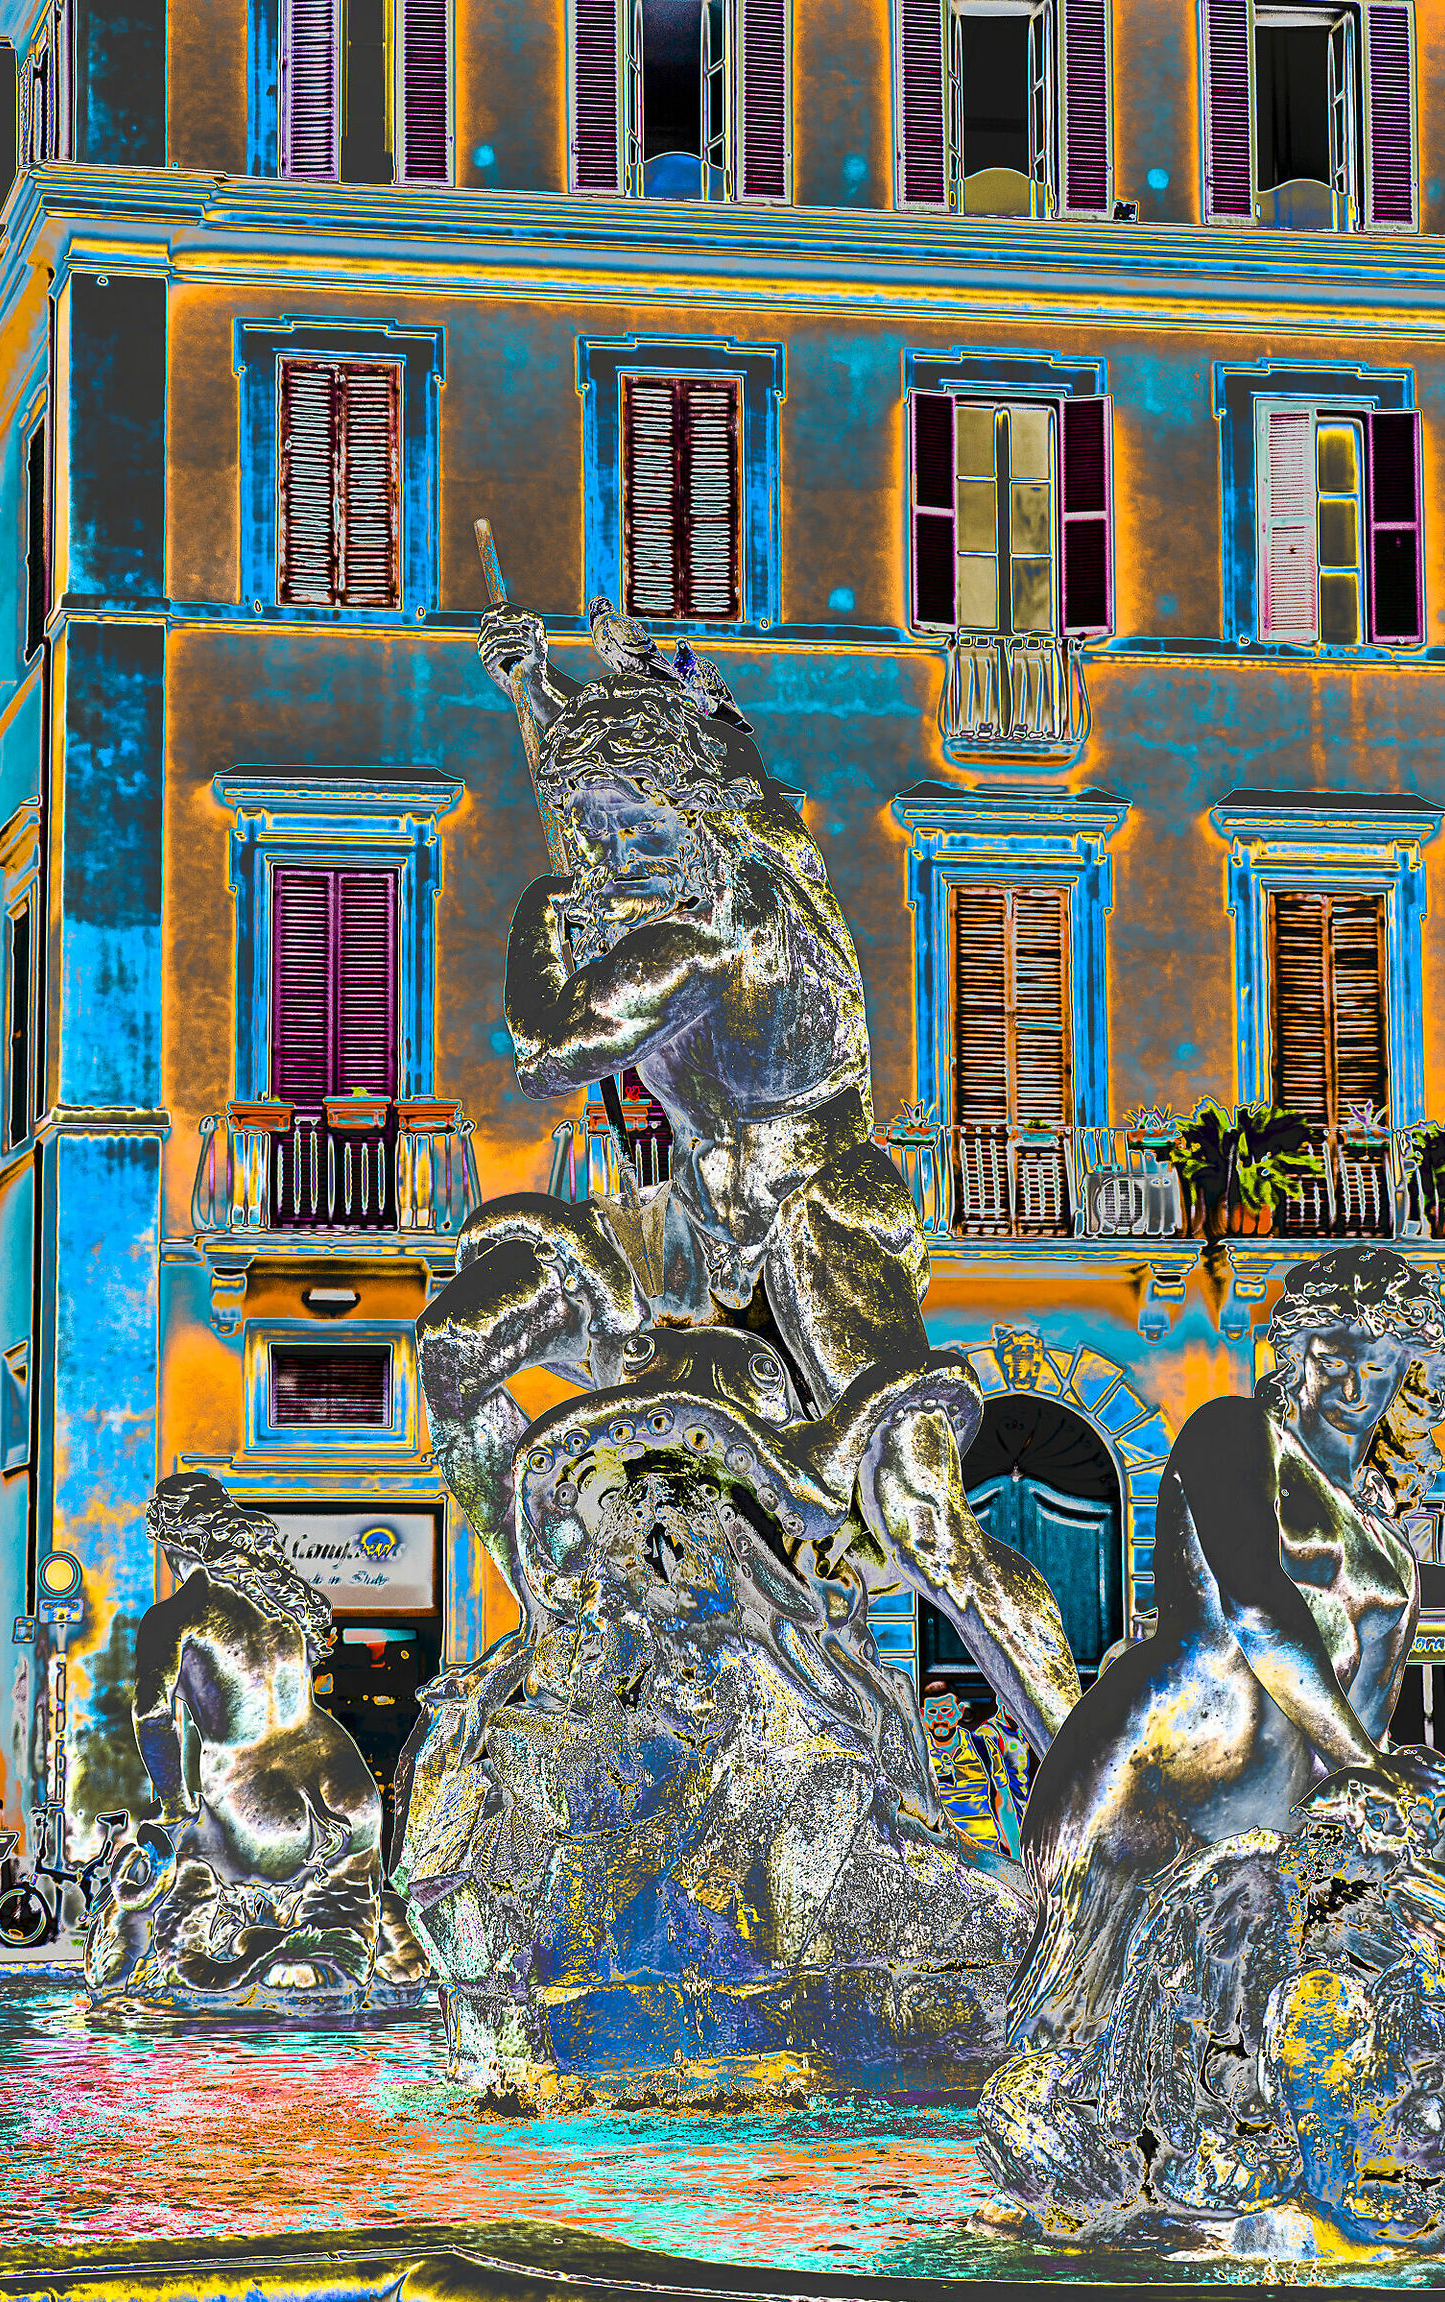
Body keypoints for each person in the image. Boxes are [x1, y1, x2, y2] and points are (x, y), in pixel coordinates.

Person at [417, 605, 1080, 1763]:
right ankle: (555, 1611)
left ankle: (1085, 1767)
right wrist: (542, 697)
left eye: (618, 825)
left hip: (818, 1219)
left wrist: (533, 914)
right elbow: (711, 752)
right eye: (584, 826)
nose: (597, 852)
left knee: (926, 1524)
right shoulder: (767, 833)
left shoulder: (702, 931)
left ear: (674, 810)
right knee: (453, 1344)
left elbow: (548, 1049)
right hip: (687, 1228)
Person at [1010, 1245, 1445, 2048]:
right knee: (1079, 2041)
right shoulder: (1234, 1436)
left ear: (1404, 1374)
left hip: (1266, 1830)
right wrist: (1365, 1770)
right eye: (1328, 1360)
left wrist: (1373, 1788)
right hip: (1142, 1793)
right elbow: (1258, 1607)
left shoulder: (1391, 1555)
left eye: (1371, 1369)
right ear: (1294, 1355)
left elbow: (1362, 1716)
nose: (1346, 1389)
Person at [86, 1473, 427, 1999]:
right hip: (344, 1776)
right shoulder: (284, 1604)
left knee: (177, 1882)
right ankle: (382, 1943)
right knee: (342, 1931)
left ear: (173, 1543)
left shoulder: (174, 1617)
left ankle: (214, 1953)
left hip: (254, 1795)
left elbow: (153, 1716)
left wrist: (175, 1805)